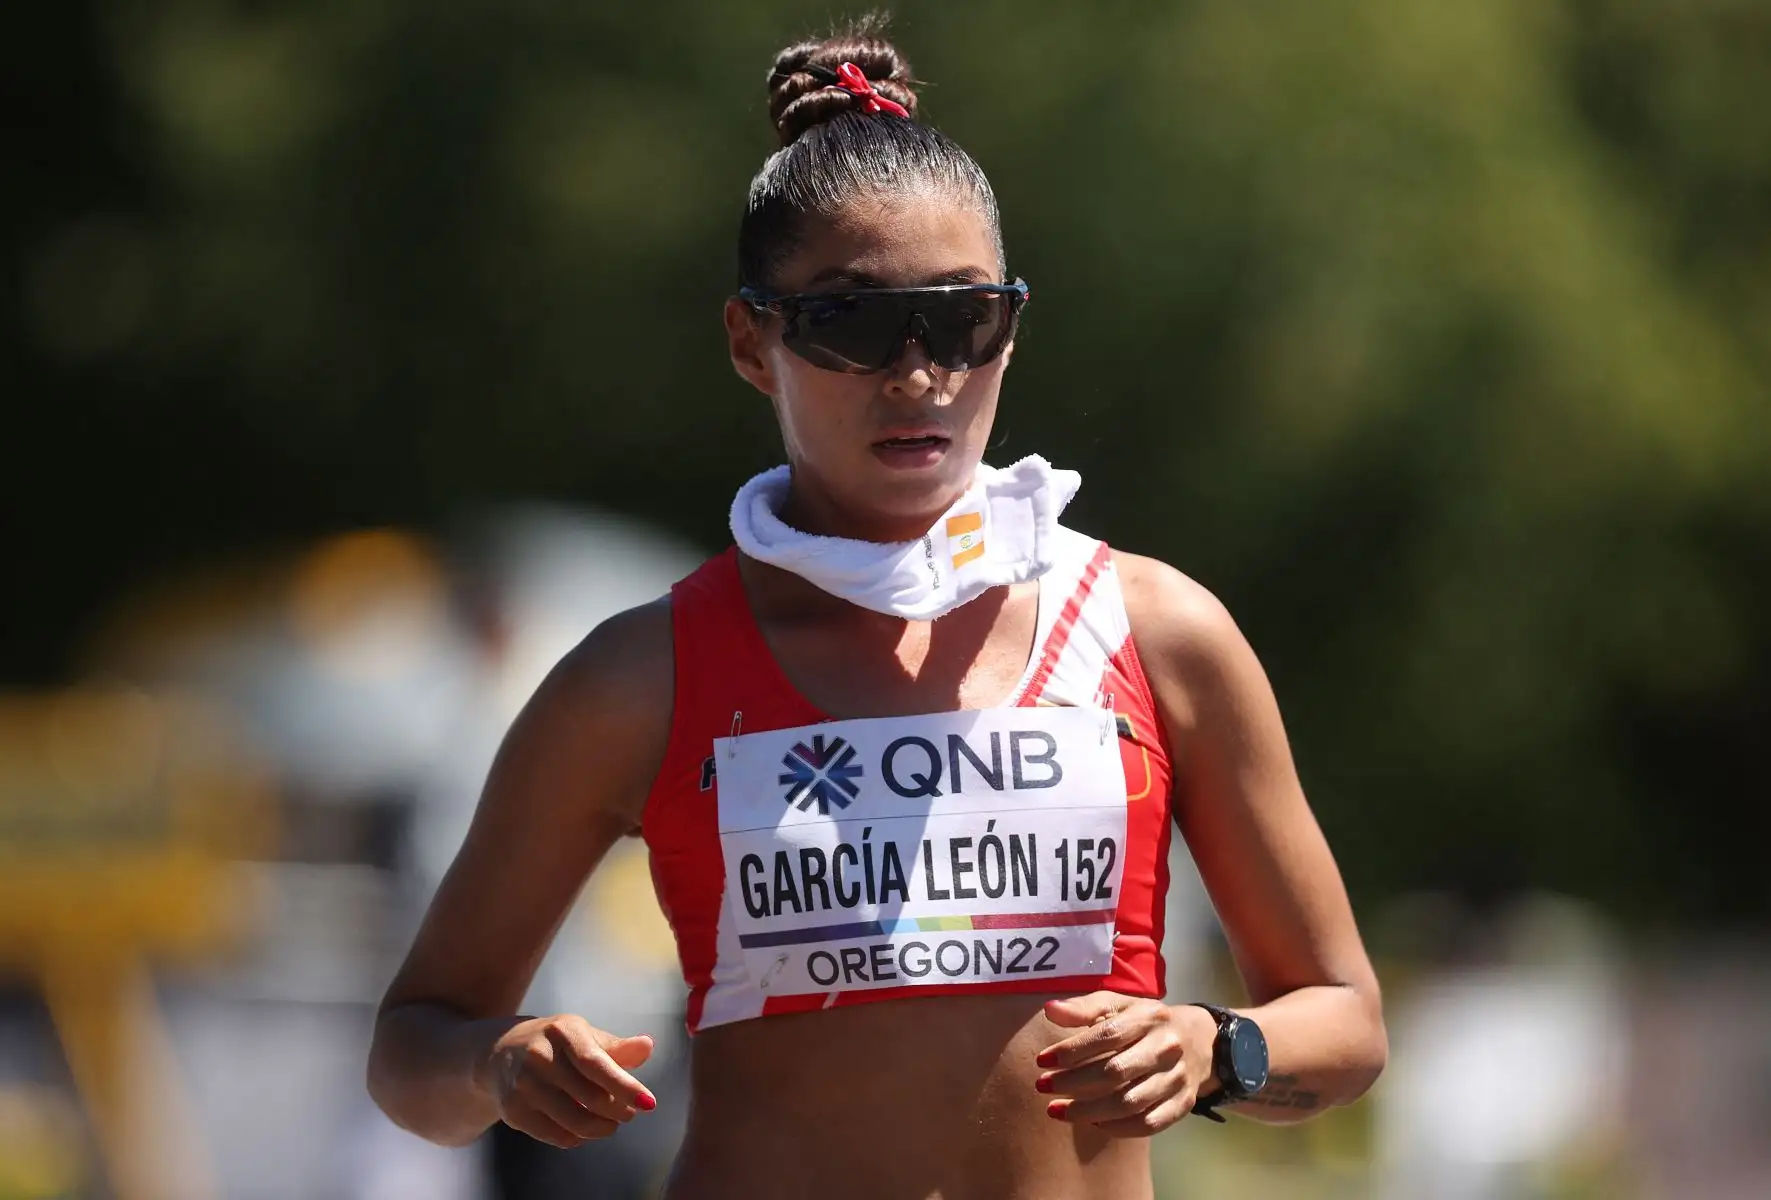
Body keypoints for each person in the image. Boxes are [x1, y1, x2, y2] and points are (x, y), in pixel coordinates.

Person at [366, 21, 1387, 1200]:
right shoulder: (639, 675)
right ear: (752, 341)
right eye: (849, 323)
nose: (917, 376)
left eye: (962, 320)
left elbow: (1346, 1020)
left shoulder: (1162, 635)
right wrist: (497, 1065)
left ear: (1012, 324)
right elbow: (413, 1047)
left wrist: (1223, 1049)